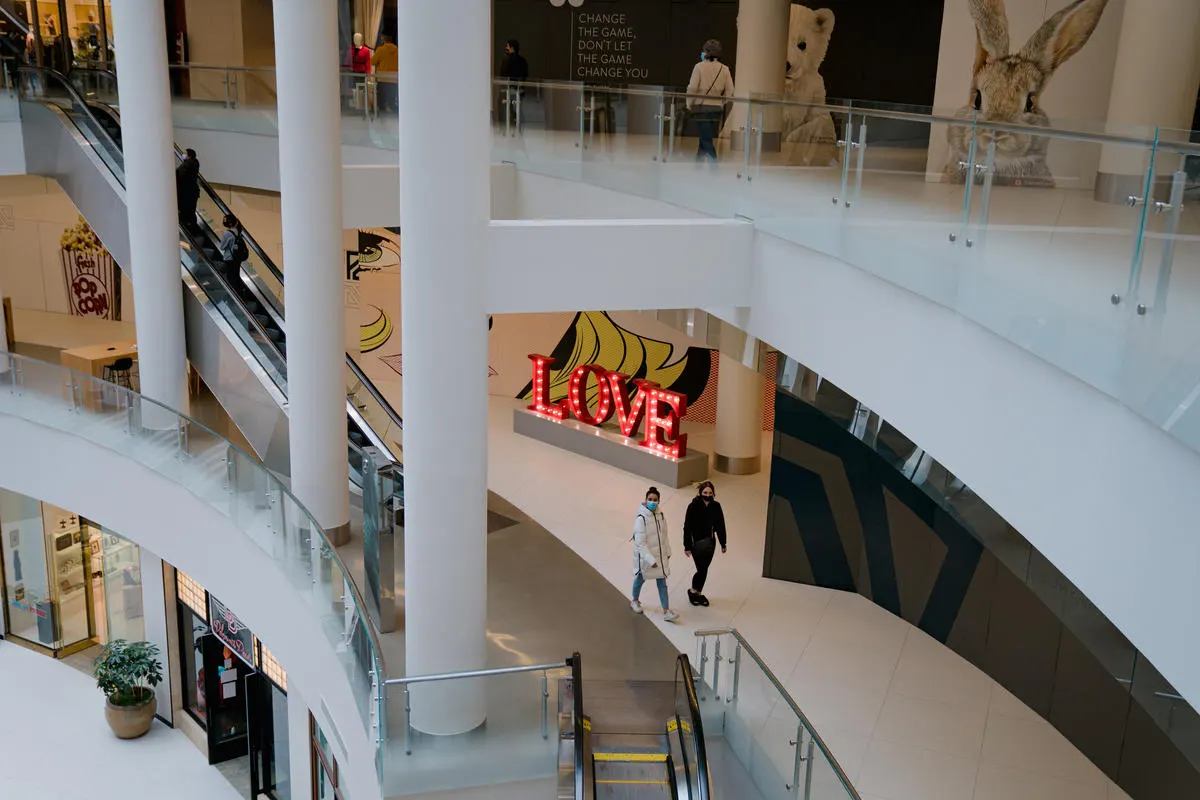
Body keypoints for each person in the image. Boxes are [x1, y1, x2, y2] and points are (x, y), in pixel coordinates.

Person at [631, 487, 680, 622]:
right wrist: (650, 559)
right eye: (650, 499)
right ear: (645, 500)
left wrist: (668, 551)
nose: (652, 502)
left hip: (659, 557)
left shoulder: (661, 516)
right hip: (646, 558)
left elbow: (664, 536)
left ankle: (666, 611)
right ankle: (634, 600)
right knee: (640, 579)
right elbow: (640, 543)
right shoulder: (641, 519)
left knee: (662, 582)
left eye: (655, 500)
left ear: (659, 501)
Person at [686, 39, 734, 163]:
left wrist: (689, 103)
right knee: (705, 138)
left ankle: (714, 168)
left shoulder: (699, 67)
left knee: (706, 140)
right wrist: (722, 103)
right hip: (716, 109)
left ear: (706, 52)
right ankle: (698, 167)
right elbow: (730, 91)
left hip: (701, 108)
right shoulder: (725, 69)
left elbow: (692, 88)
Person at [683, 481, 727, 606]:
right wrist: (687, 546)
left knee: (704, 569)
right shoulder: (693, 506)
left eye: (710, 493)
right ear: (700, 492)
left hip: (710, 543)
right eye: (705, 492)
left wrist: (723, 543)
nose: (707, 495)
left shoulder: (716, 506)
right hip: (696, 543)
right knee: (701, 569)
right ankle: (692, 590)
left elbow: (720, 525)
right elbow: (687, 527)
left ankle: (698, 592)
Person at [175, 149, 201, 233]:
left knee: (185, 213)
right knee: (191, 212)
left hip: (186, 193)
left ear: (189, 156)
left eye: (185, 153)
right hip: (193, 192)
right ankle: (194, 230)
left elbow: (180, 176)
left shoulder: (187, 164)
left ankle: (187, 230)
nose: (183, 154)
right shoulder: (195, 164)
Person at [371, 33, 398, 112]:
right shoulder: (397, 50)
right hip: (394, 78)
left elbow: (372, 61)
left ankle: (381, 116)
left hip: (382, 78)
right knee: (392, 99)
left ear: (384, 39)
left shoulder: (381, 49)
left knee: (381, 99)